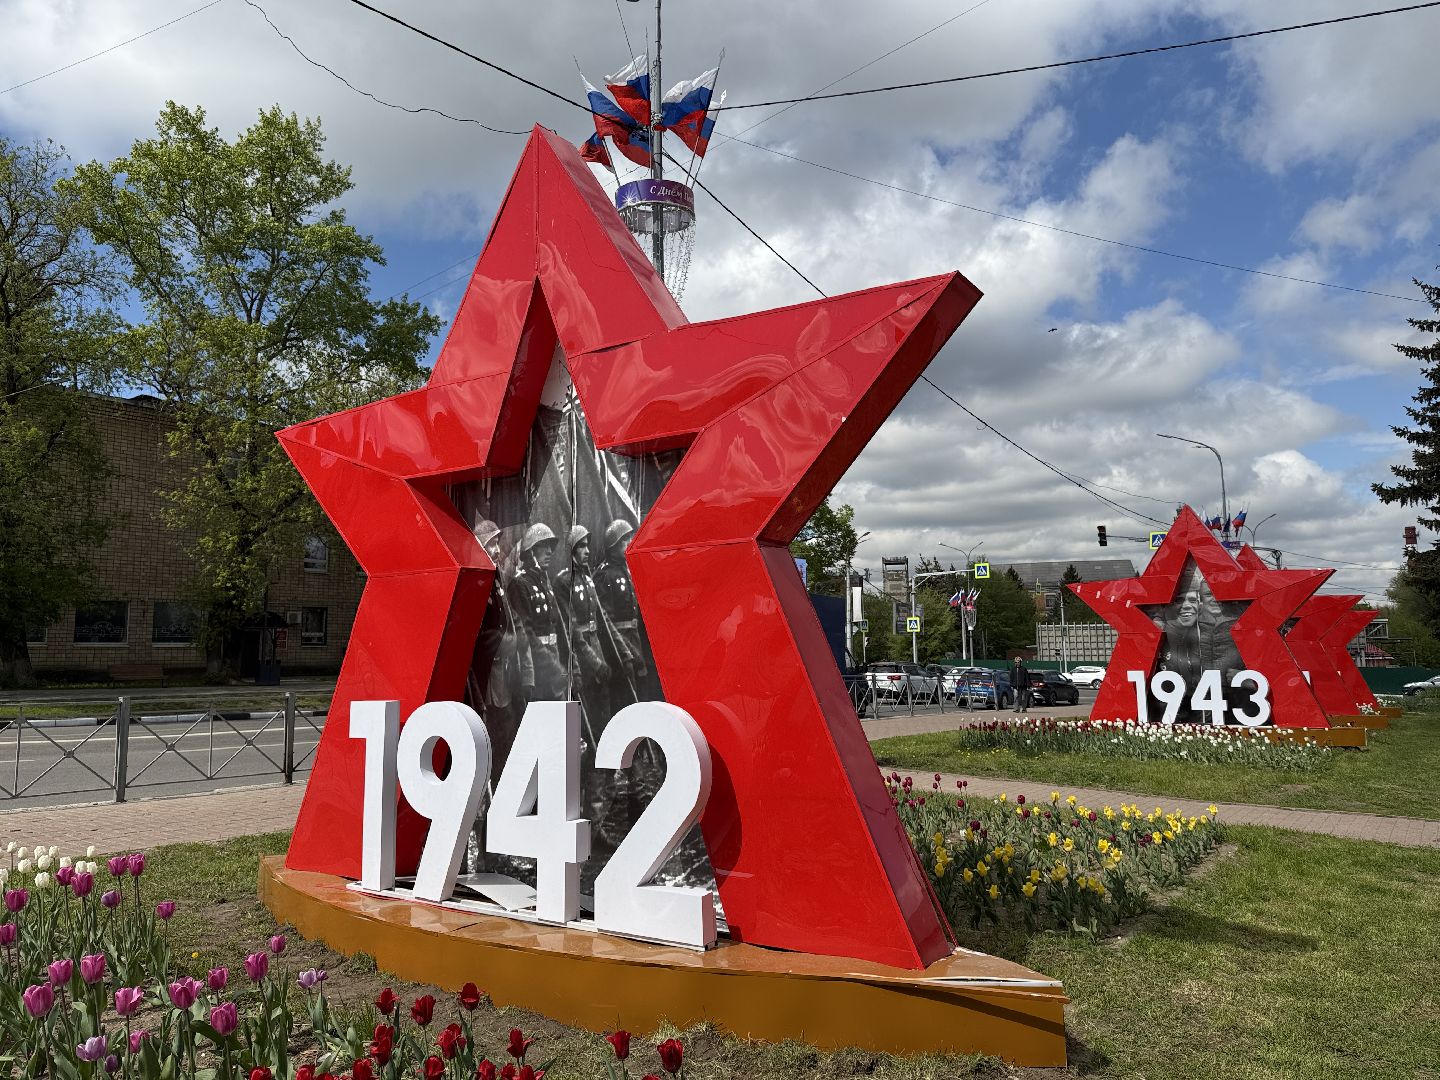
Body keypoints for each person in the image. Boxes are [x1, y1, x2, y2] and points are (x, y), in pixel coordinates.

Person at [506, 523, 566, 701]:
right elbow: (527, 634)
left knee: (567, 723)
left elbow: (556, 626)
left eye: (550, 547)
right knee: (543, 724)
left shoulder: (545, 583)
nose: (549, 552)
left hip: (554, 663)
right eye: (543, 546)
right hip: (537, 670)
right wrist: (552, 666)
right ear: (531, 551)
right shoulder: (520, 584)